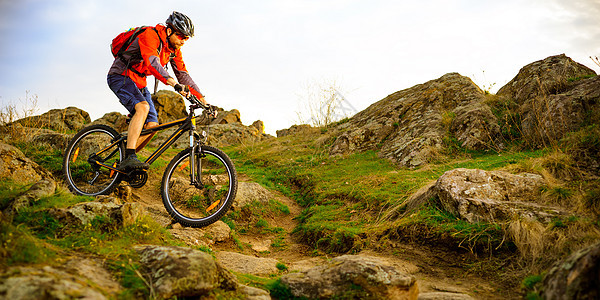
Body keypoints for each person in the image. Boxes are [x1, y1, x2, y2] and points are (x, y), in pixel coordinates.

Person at [107, 11, 206, 172]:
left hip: (139, 82)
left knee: (153, 125)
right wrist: (173, 84)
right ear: (169, 31)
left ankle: (123, 161)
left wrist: (203, 100)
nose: (183, 41)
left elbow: (183, 74)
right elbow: (153, 63)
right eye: (181, 36)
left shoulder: (173, 50)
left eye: (186, 38)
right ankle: (130, 157)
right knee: (143, 107)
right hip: (120, 76)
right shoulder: (149, 35)